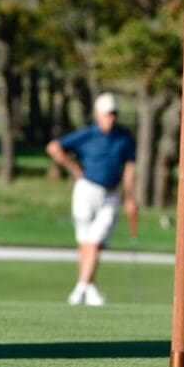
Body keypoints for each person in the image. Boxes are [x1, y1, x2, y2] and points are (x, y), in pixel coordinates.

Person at [45, 92, 137, 306]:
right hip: (87, 190)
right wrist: (73, 167)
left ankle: (81, 288)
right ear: (98, 114)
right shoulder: (87, 134)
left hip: (111, 194)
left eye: (114, 114)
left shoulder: (124, 137)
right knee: (85, 241)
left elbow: (130, 167)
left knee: (95, 241)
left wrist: (130, 197)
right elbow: (53, 147)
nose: (111, 118)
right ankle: (89, 287)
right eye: (107, 114)